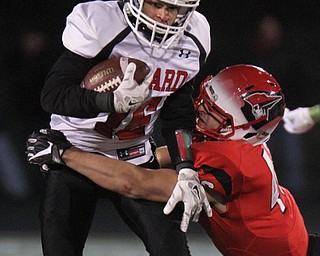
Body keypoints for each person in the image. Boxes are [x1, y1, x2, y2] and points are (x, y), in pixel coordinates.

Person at [27, 64, 310, 255]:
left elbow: (136, 183)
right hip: (295, 239)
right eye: (203, 101)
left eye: (212, 112)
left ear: (245, 128)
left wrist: (64, 153)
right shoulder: (236, 141)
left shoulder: (233, 160)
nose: (198, 111)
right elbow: (159, 158)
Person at [36, 0, 211, 255]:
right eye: (155, 4)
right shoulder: (103, 23)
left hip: (135, 156)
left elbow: (178, 113)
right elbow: (52, 96)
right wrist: (108, 101)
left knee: (171, 249)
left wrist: (185, 168)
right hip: (77, 152)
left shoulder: (194, 38)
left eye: (173, 9)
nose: (163, 15)